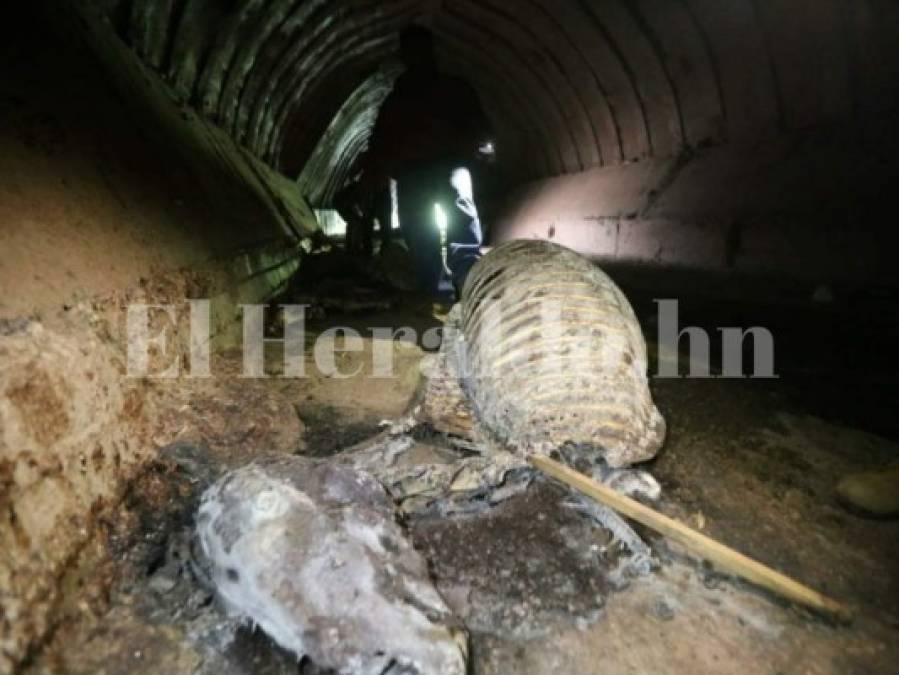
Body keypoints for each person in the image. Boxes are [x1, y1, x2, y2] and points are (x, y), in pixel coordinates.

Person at [359, 24, 493, 297]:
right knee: (432, 227)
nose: (416, 57)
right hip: (427, 170)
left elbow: (478, 126)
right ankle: (446, 284)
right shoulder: (404, 97)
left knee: (443, 223)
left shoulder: (403, 99)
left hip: (439, 167)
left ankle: (456, 282)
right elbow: (381, 141)